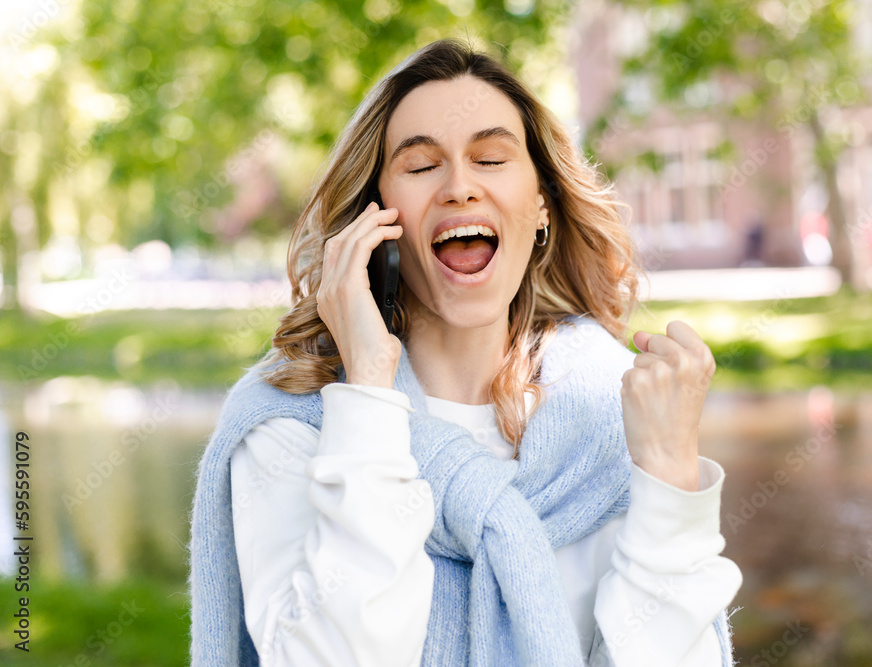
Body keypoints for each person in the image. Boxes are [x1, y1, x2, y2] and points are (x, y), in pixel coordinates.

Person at [188, 38, 742, 666]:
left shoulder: (615, 412)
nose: (459, 187)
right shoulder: (290, 423)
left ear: (541, 208)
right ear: (377, 217)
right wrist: (368, 388)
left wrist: (669, 476)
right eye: (422, 166)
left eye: (492, 158)